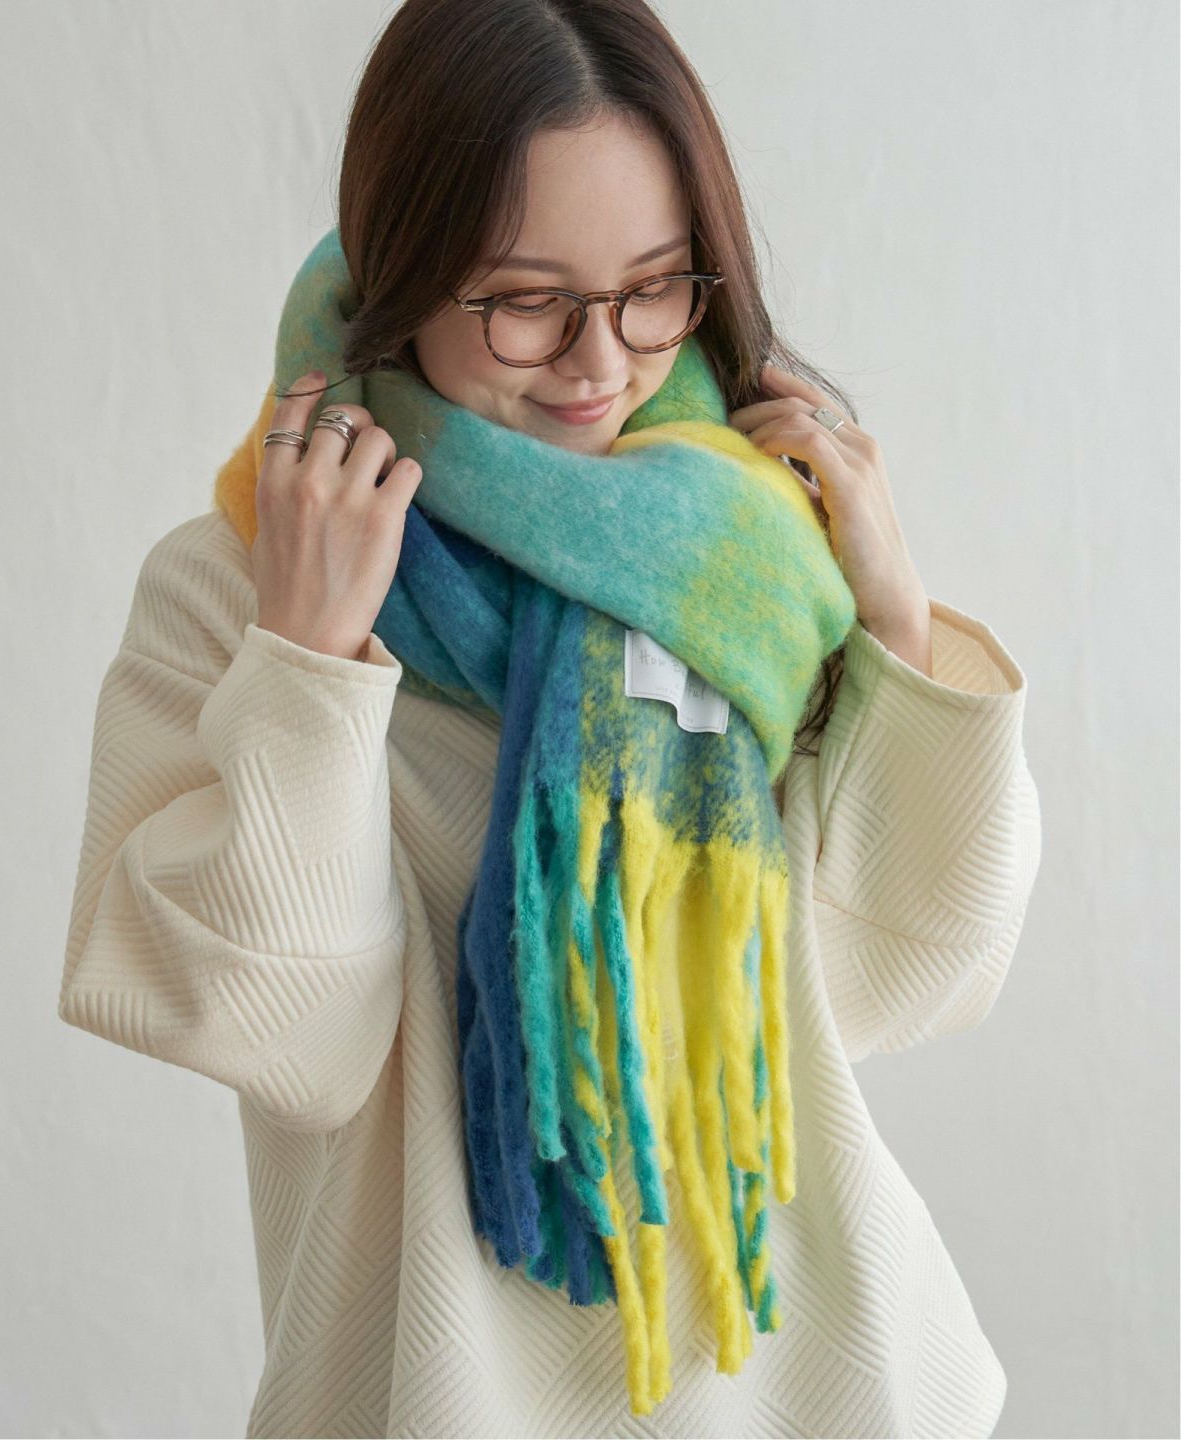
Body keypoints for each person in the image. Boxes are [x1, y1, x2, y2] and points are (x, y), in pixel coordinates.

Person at [56, 1, 1042, 1436]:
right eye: (526, 301)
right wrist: (308, 662)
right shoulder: (238, 582)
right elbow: (282, 1035)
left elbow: (904, 975)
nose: (598, 364)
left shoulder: (754, 553)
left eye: (654, 288)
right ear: (402, 270)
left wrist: (893, 619)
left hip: (818, 1387)